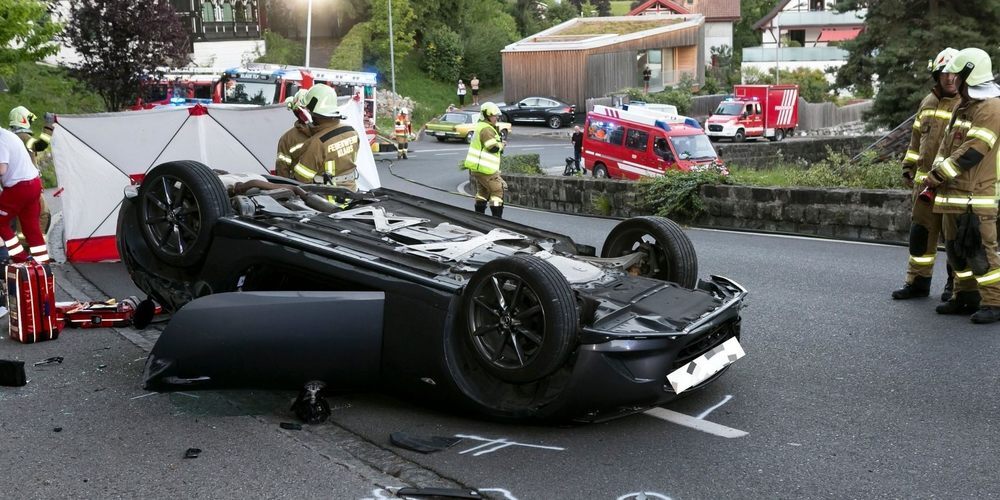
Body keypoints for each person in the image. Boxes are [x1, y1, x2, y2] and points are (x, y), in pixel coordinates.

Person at [922, 47, 1000, 324]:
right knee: (955, 250)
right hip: (951, 197)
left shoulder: (991, 108)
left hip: (974, 197)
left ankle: (994, 300)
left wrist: (937, 175)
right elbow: (946, 146)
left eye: (959, 75)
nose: (953, 80)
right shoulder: (963, 106)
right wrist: (935, 177)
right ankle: (965, 295)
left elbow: (973, 150)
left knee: (980, 250)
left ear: (970, 75)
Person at [891, 48, 961, 301]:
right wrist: (908, 166)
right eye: (945, 73)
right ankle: (917, 282)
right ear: (937, 75)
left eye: (955, 73)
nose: (950, 78)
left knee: (955, 239)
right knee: (921, 235)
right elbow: (916, 140)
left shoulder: (968, 105)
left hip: (953, 185)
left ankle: (955, 287)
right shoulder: (927, 103)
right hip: (923, 186)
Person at [292, 84, 361, 192]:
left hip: (328, 201)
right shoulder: (351, 132)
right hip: (351, 193)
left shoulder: (316, 143)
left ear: (313, 112)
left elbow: (301, 179)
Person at [0, 127, 49, 266]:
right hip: (33, 184)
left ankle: (21, 258)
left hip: (19, 187)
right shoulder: (9, 135)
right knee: (31, 227)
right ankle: (43, 266)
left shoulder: (1, 140)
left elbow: (1, 169)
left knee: (1, 222)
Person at [9, 106, 53, 236]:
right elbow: (41, 145)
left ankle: (27, 247)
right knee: (42, 213)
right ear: (22, 119)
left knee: (23, 216)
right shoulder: (23, 137)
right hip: (27, 185)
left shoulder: (11, 137)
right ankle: (33, 246)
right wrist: (49, 125)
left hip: (17, 185)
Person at [462, 102, 506, 218]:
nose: (496, 117)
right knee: (497, 191)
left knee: (483, 193)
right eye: (494, 115)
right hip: (486, 169)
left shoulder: (481, 126)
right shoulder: (487, 129)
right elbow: (492, 148)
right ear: (487, 116)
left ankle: (479, 218)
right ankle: (497, 220)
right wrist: (501, 145)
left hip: (479, 168)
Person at [275, 89, 313, 179]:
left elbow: (282, 172)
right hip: (303, 188)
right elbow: (282, 171)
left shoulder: (287, 138)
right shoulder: (287, 139)